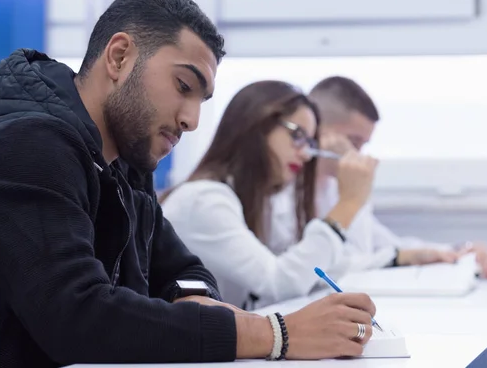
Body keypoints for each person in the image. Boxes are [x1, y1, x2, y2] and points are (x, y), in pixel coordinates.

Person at [0, 0, 379, 367]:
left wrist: (192, 301)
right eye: (183, 86)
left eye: (201, 100)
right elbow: (78, 318)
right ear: (119, 57)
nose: (191, 119)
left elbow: (185, 271)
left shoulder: (125, 167)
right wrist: (275, 334)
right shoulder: (27, 148)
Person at [161, 80, 384, 310]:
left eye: (309, 142)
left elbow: (306, 270)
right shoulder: (204, 200)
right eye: (297, 135)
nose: (306, 154)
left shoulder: (255, 198)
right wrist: (348, 204)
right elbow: (279, 283)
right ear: (256, 125)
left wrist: (393, 257)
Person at [272, 76, 487, 278]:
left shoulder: (337, 186)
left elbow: (385, 245)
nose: (358, 155)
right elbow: (315, 269)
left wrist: (461, 251)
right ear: (316, 131)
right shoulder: (280, 195)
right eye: (353, 142)